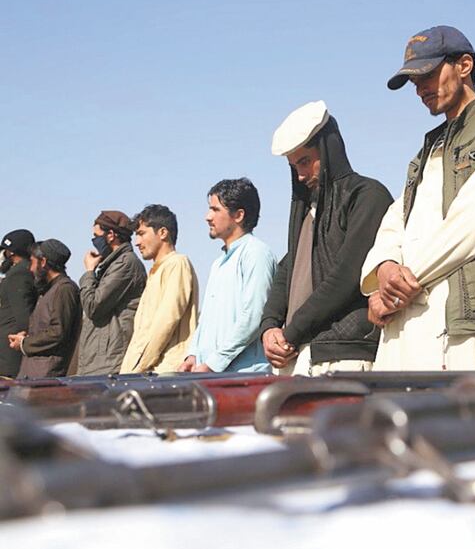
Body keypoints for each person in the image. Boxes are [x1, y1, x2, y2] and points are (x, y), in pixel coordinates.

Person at [360, 25, 475, 371]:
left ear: (464, 65)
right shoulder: (427, 149)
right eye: (414, 83)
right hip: (410, 320)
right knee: (399, 421)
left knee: (470, 424)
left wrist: (400, 286)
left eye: (427, 75)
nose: (420, 89)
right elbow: (396, 220)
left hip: (472, 323)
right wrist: (384, 269)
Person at [260, 101, 393, 375]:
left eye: (306, 161)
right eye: (294, 165)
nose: (300, 174)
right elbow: (288, 268)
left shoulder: (366, 196)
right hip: (301, 356)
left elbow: (346, 276)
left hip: (346, 356)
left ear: (328, 149)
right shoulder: (307, 211)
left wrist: (291, 333)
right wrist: (270, 326)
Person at [180, 178, 277, 373]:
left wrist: (214, 363)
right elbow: (206, 318)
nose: (208, 217)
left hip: (244, 376)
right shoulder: (218, 263)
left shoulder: (256, 253)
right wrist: (193, 354)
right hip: (213, 373)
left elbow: (253, 316)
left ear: (239, 215)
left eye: (215, 210)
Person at [120, 205, 200, 373]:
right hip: (146, 371)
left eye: (142, 234)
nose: (137, 242)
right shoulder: (157, 270)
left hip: (162, 371)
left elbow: (166, 321)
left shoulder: (177, 263)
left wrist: (138, 367)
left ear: (163, 233)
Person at [75, 210, 147, 375]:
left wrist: (88, 272)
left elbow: (93, 306)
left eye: (96, 235)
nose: (94, 241)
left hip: (110, 362)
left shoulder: (126, 264)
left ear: (111, 235)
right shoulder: (111, 265)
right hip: (98, 360)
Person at [8, 239, 81, 378]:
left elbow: (57, 332)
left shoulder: (65, 289)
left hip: (47, 376)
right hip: (34, 374)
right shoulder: (49, 290)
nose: (30, 268)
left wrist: (24, 343)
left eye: (33, 262)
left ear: (43, 262)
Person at [0, 229, 38, 377]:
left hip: (10, 351)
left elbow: (23, 316)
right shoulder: (21, 272)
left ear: (11, 253)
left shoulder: (18, 274)